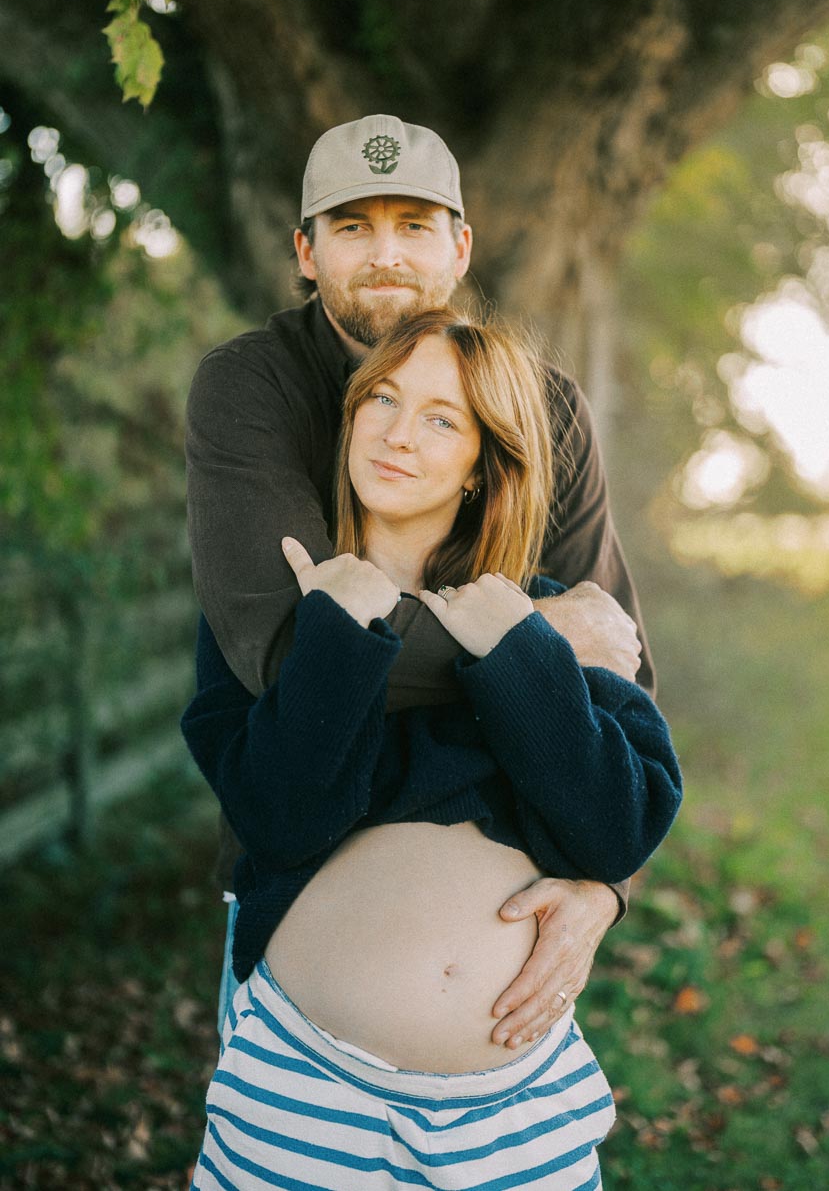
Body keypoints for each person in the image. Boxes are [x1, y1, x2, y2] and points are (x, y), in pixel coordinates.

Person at [185, 114, 655, 1052]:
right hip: (304, 942)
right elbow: (289, 656)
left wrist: (608, 889)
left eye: (414, 224)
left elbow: (619, 657)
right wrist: (531, 645)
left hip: (509, 973)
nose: (385, 253)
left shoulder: (545, 405)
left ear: (461, 246)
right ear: (306, 251)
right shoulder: (254, 389)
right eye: (352, 226)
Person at [183, 309, 682, 1189]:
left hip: (514, 1104)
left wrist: (521, 647)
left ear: (481, 470)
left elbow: (618, 828)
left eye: (441, 418)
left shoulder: (552, 615)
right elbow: (280, 816)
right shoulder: (288, 618)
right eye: (381, 399)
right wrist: (341, 631)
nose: (398, 435)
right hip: (305, 1084)